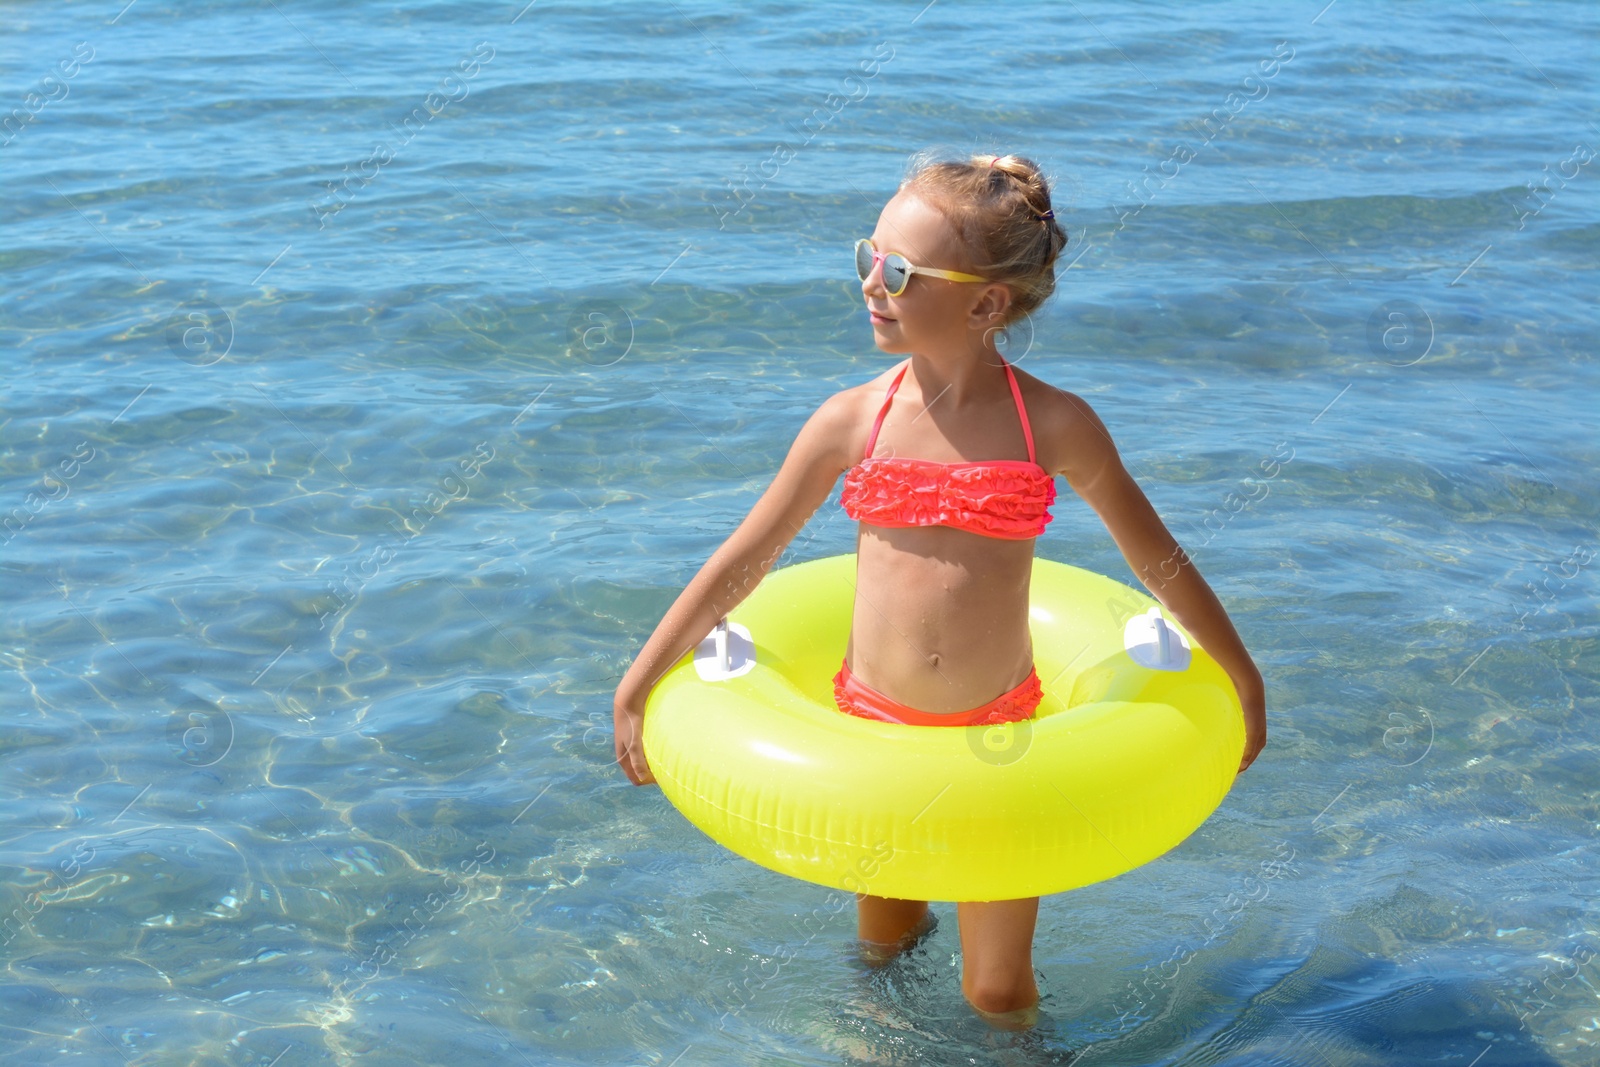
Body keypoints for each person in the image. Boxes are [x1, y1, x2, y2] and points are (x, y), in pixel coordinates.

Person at [612, 150, 1267, 1029]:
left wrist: (1243, 678)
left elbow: (1160, 563)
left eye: (900, 271)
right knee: (887, 943)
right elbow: (744, 559)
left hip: (1002, 737)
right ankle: (878, 1044)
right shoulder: (854, 418)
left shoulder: (1055, 424)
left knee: (995, 989)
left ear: (986, 302)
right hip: (871, 731)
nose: (872, 285)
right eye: (866, 259)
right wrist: (639, 680)